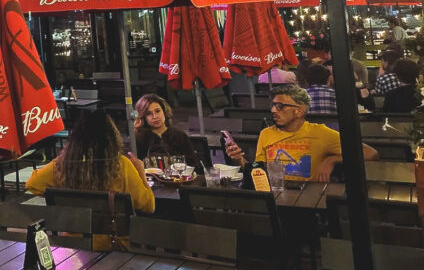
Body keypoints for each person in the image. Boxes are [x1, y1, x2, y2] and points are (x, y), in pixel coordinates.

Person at [26, 110, 153, 249]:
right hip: (114, 247)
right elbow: (148, 206)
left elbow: (32, 184)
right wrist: (141, 172)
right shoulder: (122, 165)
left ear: (75, 141)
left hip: (73, 246)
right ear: (111, 138)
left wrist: (64, 160)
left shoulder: (63, 166)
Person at [226, 85, 378, 181]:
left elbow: (371, 153)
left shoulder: (320, 133)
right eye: (273, 105)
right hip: (275, 197)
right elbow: (260, 171)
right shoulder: (266, 133)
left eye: (280, 106)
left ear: (299, 111)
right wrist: (239, 159)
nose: (273, 110)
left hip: (308, 200)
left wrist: (331, 160)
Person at [133, 94, 202, 170]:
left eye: (157, 111)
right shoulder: (139, 139)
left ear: (164, 111)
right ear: (143, 117)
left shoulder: (179, 136)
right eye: (149, 114)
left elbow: (195, 167)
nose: (155, 116)